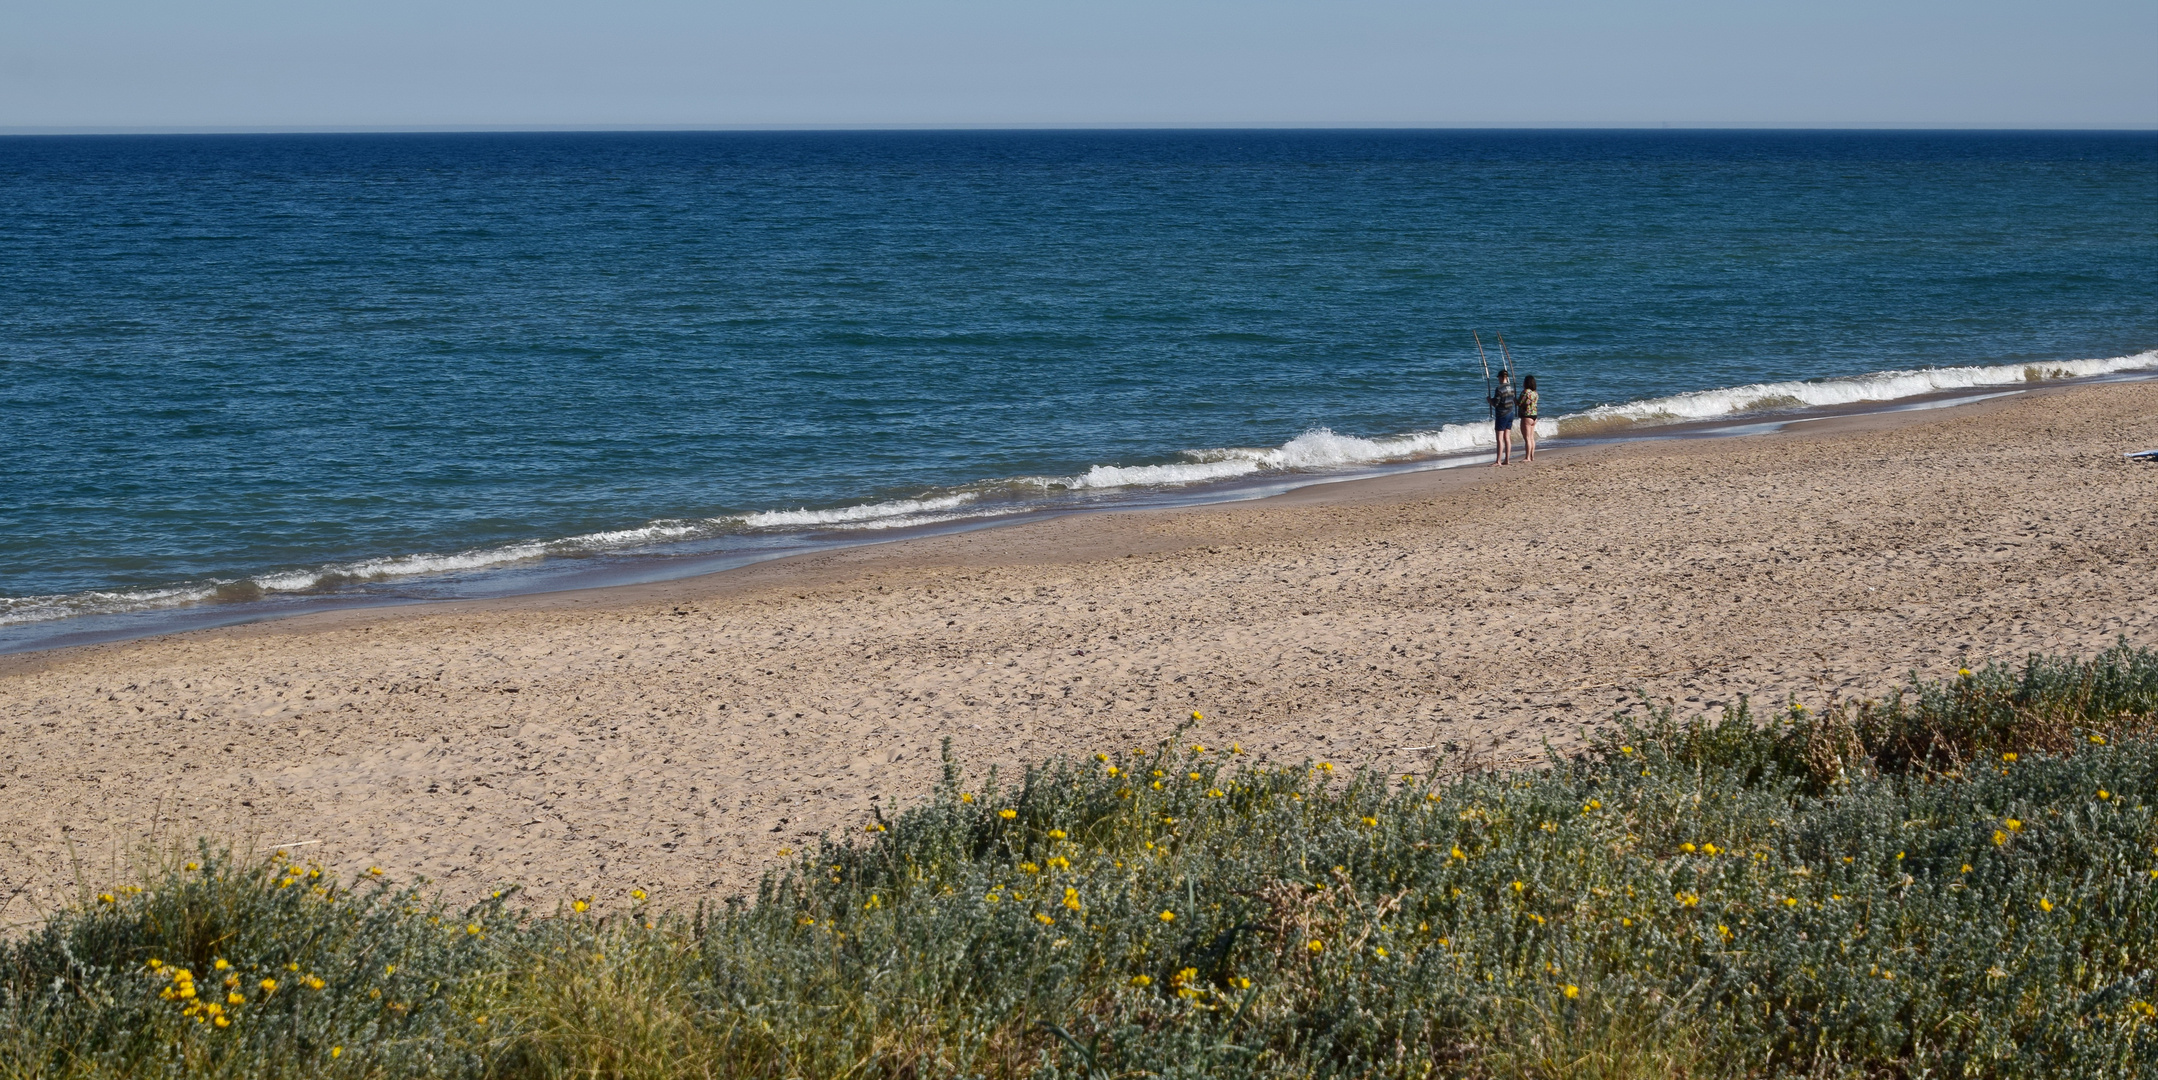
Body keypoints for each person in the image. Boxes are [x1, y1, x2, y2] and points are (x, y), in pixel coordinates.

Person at [1488, 370, 1517, 466]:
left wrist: (1489, 400)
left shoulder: (1499, 389)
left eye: (1498, 378)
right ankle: (1507, 460)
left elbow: (1496, 404)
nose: (1498, 380)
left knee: (1500, 438)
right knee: (1507, 437)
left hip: (1502, 415)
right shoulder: (1511, 388)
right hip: (1510, 413)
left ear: (1501, 377)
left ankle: (1498, 461)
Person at [1518, 374, 1539, 462]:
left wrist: (1515, 400)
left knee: (1527, 438)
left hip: (1526, 416)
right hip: (1534, 416)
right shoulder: (1535, 393)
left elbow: (1520, 403)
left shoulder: (1525, 392)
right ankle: (1532, 456)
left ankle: (1527, 457)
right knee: (1531, 437)